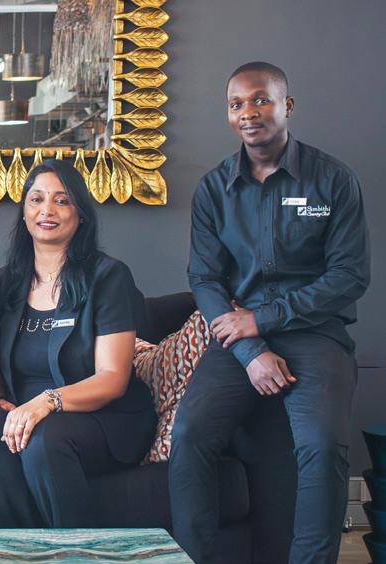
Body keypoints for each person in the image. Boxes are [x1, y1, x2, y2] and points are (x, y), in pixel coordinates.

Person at [171, 61, 371, 564]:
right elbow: (205, 280)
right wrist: (251, 349)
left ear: (287, 105)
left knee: (321, 445)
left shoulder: (334, 180)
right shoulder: (214, 189)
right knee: (190, 433)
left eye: (261, 99)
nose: (248, 112)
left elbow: (350, 276)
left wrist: (265, 318)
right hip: (239, 339)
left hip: (316, 334)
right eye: (236, 104)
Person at [0, 161, 156, 528]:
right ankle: (19, 547)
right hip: (29, 414)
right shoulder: (8, 281)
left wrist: (45, 402)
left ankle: (73, 550)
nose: (47, 210)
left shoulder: (108, 276)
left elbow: (112, 378)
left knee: (44, 438)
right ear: (24, 212)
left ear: (80, 213)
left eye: (62, 200)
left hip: (104, 418)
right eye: (36, 199)